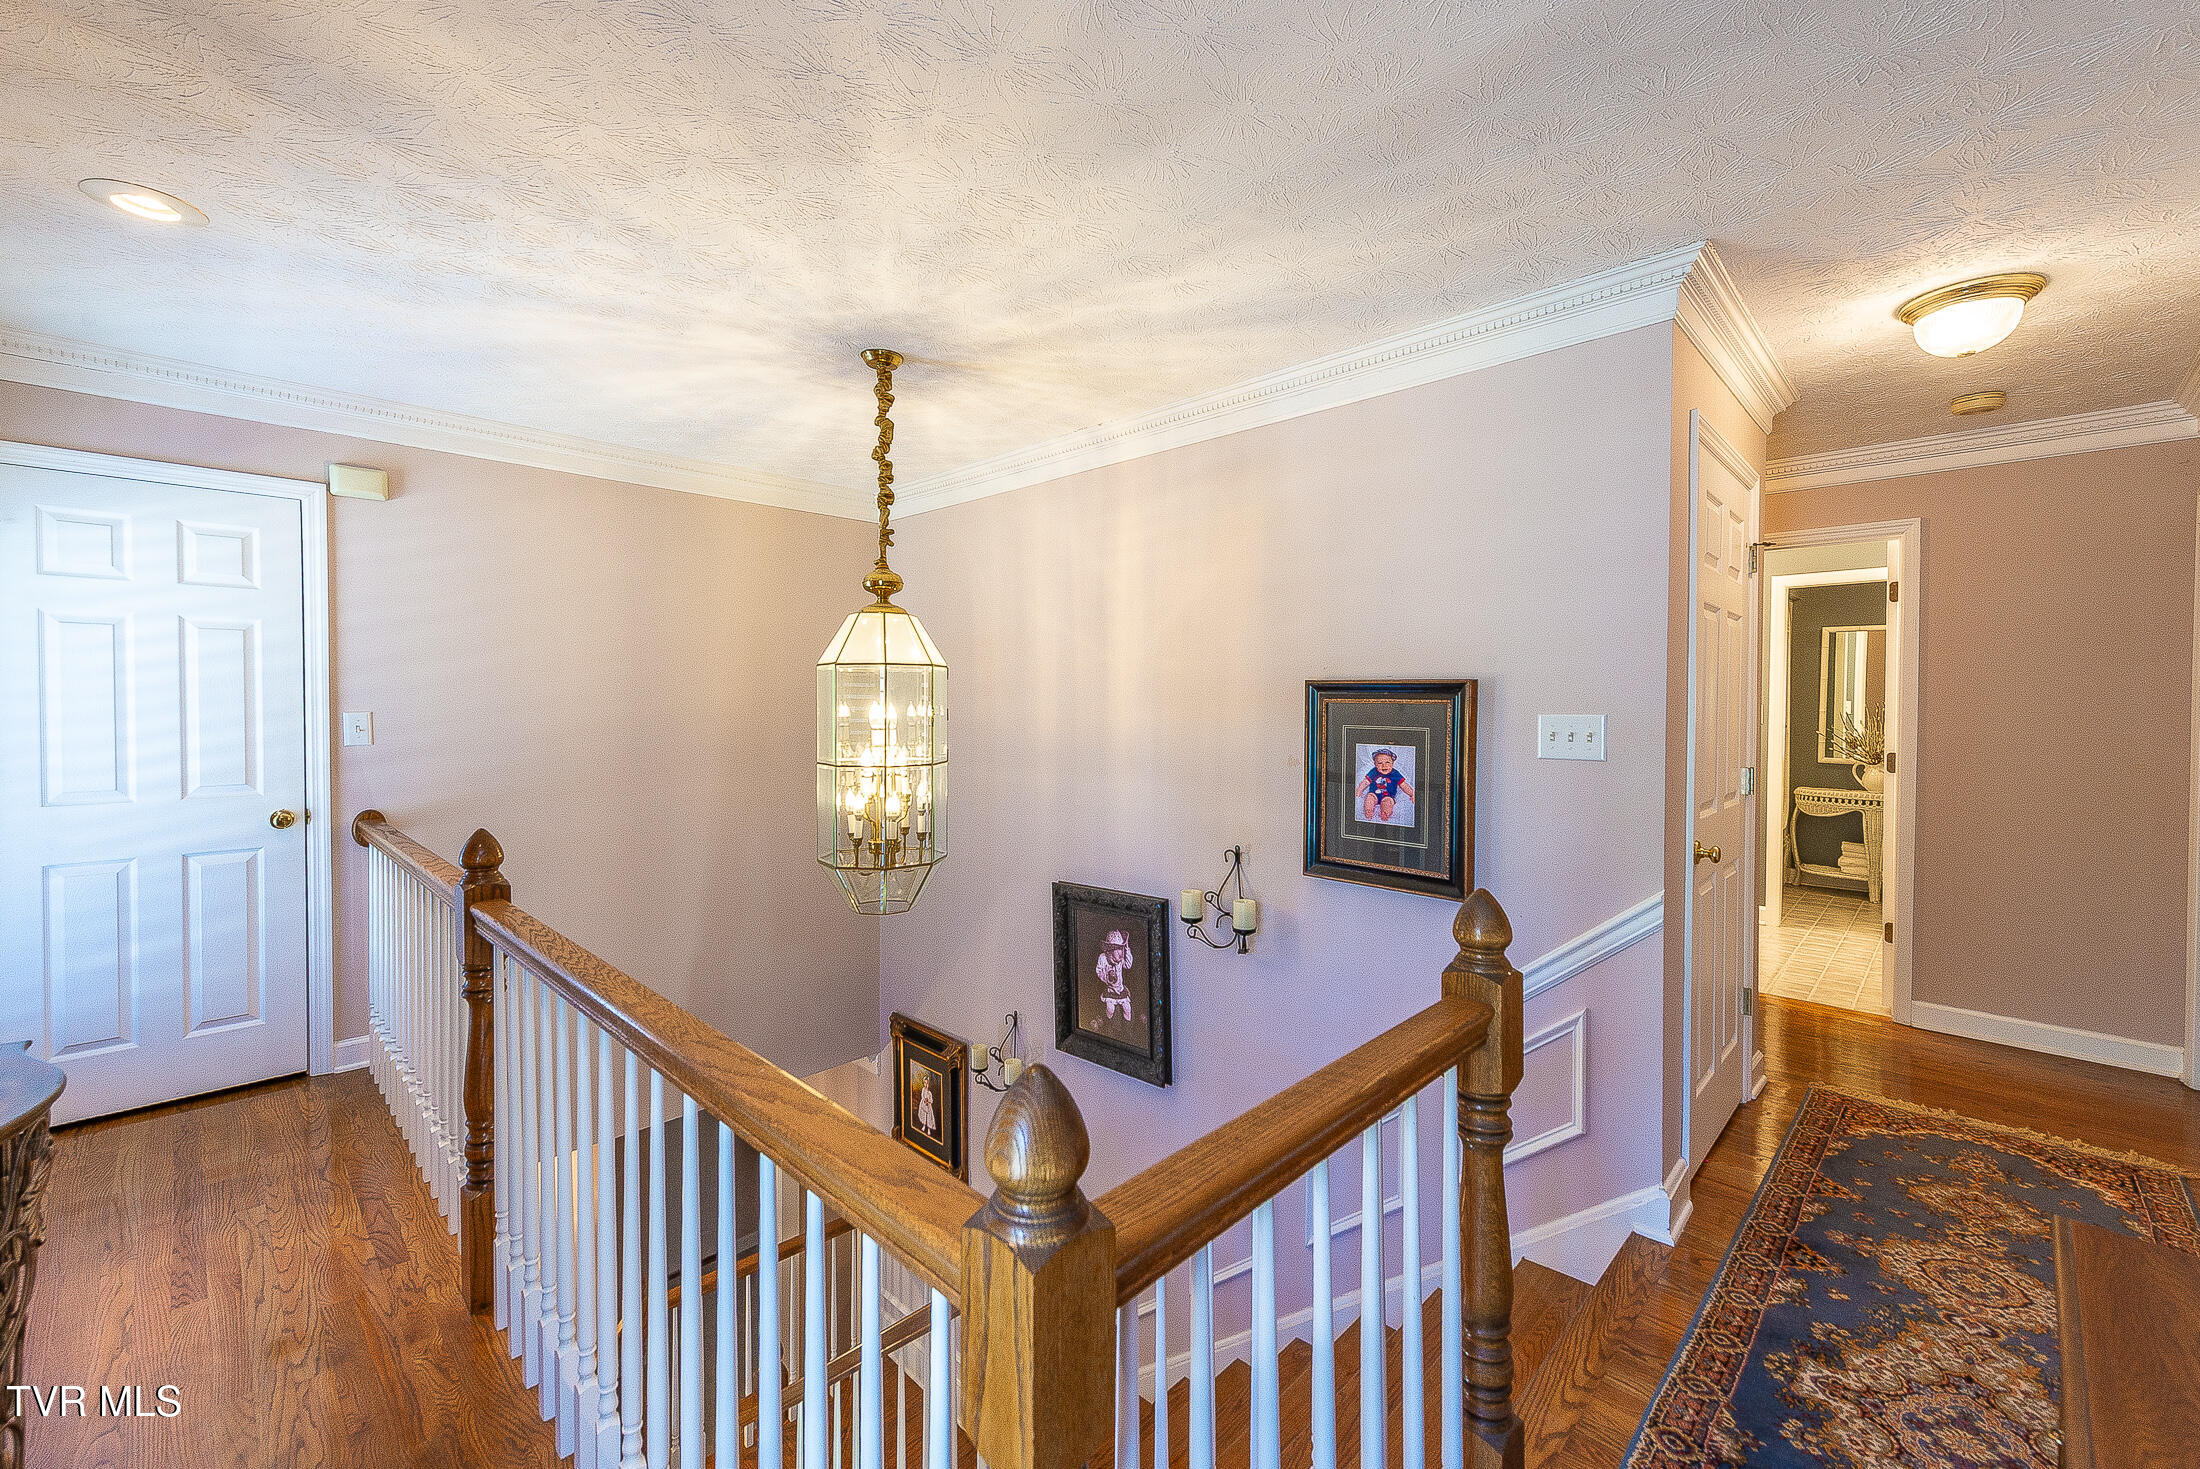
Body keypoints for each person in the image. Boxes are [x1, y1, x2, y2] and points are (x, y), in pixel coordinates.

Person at [1358, 748, 1414, 823]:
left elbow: (1404, 786)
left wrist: (1412, 794)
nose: (1384, 765)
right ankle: (1368, 810)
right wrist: (1359, 791)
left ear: (1392, 763)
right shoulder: (1374, 771)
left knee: (1388, 803)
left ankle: (1385, 813)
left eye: (1387, 762)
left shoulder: (1395, 774)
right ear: (1375, 764)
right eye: (1380, 763)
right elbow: (1365, 782)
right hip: (1374, 794)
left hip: (1388, 796)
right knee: (1369, 798)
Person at [1095, 929, 1135, 1027]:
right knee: (1110, 1009)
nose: (1120, 952)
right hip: (1110, 991)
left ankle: (1128, 1029)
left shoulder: (1120, 960)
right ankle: (1108, 1026)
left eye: (1121, 948)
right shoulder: (1103, 958)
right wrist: (1107, 975)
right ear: (1110, 950)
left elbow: (1128, 965)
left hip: (1120, 990)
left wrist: (1127, 949)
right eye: (1117, 949)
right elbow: (1098, 971)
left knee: (1127, 1009)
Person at [913, 1070, 937, 1138]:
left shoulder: (929, 1093)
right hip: (923, 1104)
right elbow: (922, 1096)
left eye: (927, 1083)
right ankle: (924, 1126)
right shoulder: (923, 1089)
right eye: (925, 1083)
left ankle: (929, 1129)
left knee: (928, 1117)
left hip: (928, 1106)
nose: (926, 1085)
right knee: (924, 1116)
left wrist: (928, 1101)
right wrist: (924, 1100)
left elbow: (931, 1100)